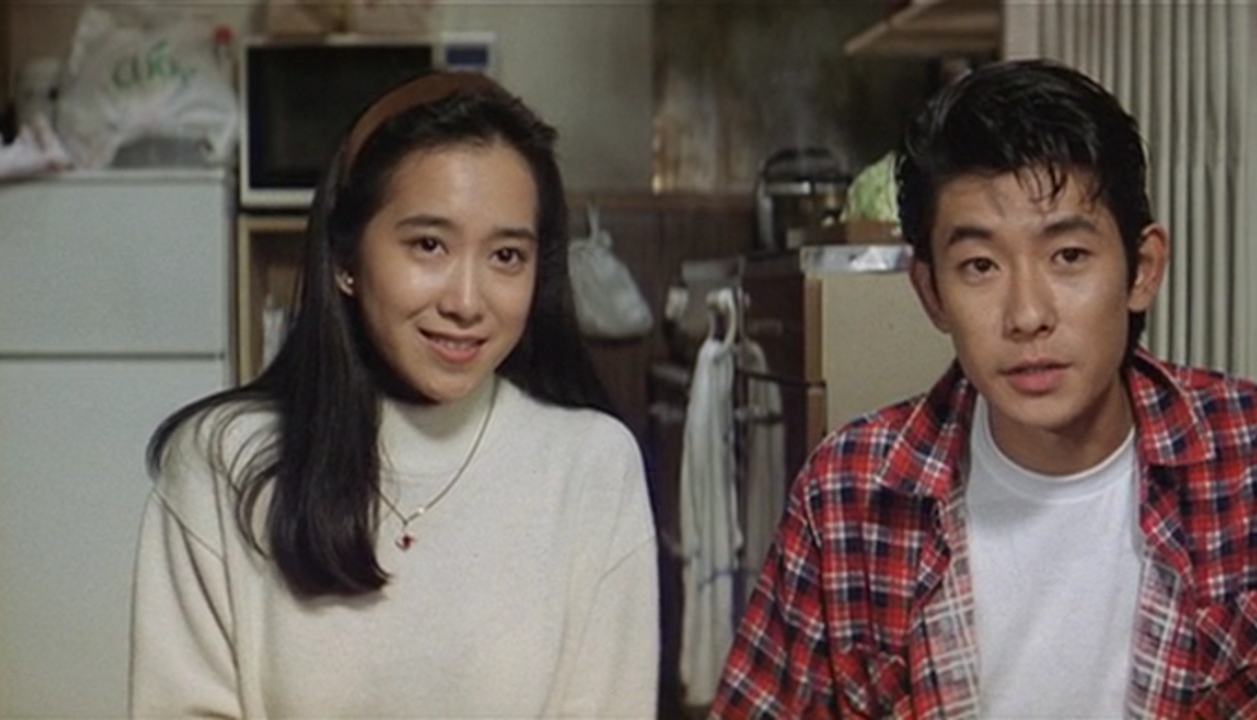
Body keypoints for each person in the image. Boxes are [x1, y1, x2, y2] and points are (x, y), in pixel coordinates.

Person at [710, 59, 1257, 718]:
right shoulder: (847, 496)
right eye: (979, 265)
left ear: (1142, 269)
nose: (1027, 314)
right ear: (931, 293)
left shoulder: (1244, 458)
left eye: (1068, 256)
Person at [130, 71, 659, 718]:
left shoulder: (592, 466)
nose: (466, 302)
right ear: (345, 261)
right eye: (429, 245)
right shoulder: (223, 463)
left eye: (506, 256)